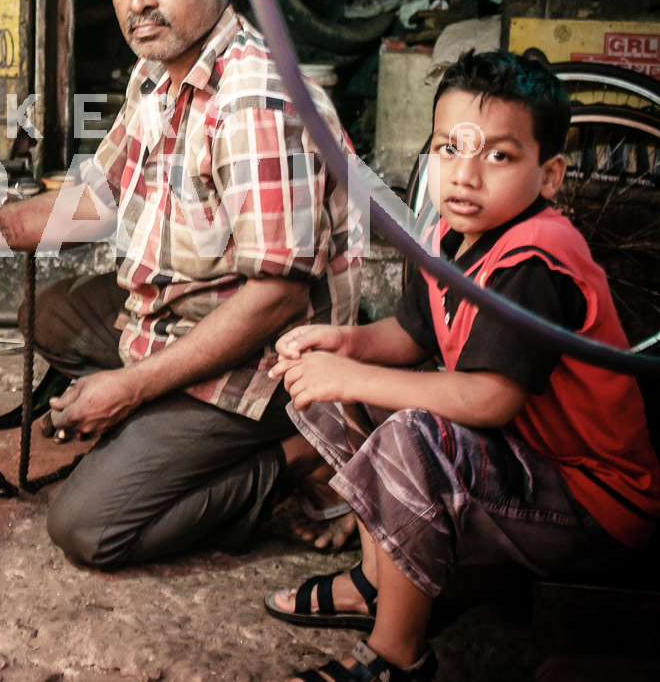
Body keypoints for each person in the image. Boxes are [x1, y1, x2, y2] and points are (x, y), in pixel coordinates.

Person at [0, 0, 360, 569]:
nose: (138, 3)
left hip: (267, 363)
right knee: (47, 315)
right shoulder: (156, 77)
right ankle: (162, 430)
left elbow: (278, 296)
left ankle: (300, 456)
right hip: (182, 311)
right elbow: (93, 200)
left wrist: (132, 388)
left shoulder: (254, 104)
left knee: (87, 526)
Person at [263, 50, 660, 682]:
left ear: (550, 175)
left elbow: (490, 399)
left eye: (498, 156)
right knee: (357, 395)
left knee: (413, 433)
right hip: (520, 458)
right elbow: (409, 333)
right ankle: (375, 581)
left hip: (590, 505)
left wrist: (358, 377)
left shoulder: (537, 258)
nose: (465, 176)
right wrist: (346, 345)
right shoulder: (446, 236)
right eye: (450, 149)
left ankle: (397, 659)